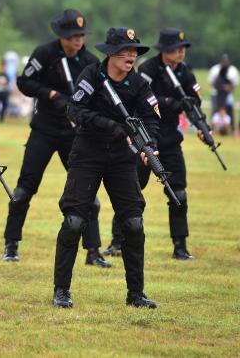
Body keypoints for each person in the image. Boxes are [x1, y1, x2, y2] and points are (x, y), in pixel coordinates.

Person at [53, 27, 159, 309]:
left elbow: (150, 118)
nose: (131, 56)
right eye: (125, 50)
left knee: (134, 223)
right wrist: (112, 126)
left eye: (134, 51)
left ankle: (136, 293)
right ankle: (61, 290)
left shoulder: (139, 84)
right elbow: (75, 110)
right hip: (88, 152)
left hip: (122, 158)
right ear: (110, 54)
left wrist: (150, 145)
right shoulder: (91, 75)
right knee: (74, 221)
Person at [2, 9, 110, 268]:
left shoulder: (90, 61)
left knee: (86, 192)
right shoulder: (45, 53)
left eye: (81, 36)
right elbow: (24, 82)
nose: (78, 41)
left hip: (75, 133)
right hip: (44, 129)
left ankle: (93, 251)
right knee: (24, 189)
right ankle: (11, 244)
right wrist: (50, 94)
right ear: (62, 36)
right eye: (73, 36)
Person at [103, 29, 205, 260]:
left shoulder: (186, 72)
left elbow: (194, 102)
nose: (180, 53)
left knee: (178, 192)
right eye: (175, 49)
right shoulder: (147, 70)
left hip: (170, 140)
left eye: (182, 49)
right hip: (145, 137)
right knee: (131, 193)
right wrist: (171, 102)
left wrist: (200, 123)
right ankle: (117, 241)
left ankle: (180, 246)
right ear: (164, 50)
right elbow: (145, 101)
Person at [208, 54, 237, 132]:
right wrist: (222, 87)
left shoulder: (232, 70)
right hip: (216, 94)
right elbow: (211, 82)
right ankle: (212, 129)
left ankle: (232, 130)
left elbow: (234, 84)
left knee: (230, 112)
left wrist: (228, 88)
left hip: (228, 95)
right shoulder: (215, 69)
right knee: (215, 111)